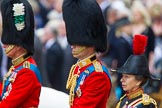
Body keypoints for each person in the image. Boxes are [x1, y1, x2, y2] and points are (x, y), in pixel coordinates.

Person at [62, 0, 112, 107]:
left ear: (90, 43)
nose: (72, 45)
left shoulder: (98, 76)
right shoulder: (79, 67)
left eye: (77, 41)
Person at [0, 0, 42, 107]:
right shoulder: (17, 67)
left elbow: (7, 105)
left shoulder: (27, 72)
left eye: (8, 42)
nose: (4, 45)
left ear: (18, 45)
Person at [111, 34, 159, 108]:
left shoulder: (146, 104)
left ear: (138, 81)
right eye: (122, 76)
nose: (121, 80)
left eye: (126, 77)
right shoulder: (123, 100)